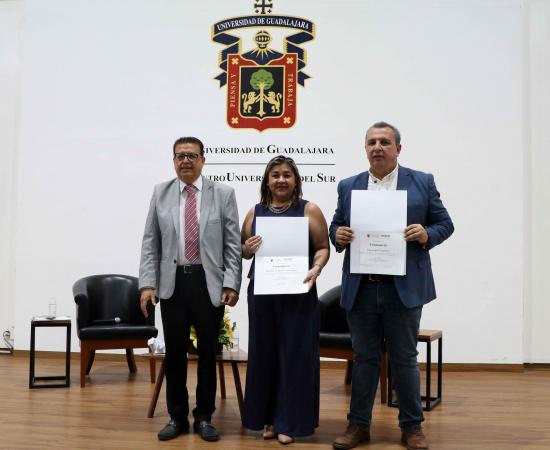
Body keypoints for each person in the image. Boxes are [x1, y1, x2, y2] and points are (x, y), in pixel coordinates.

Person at [330, 122, 454, 450]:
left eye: (385, 142)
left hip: (405, 286)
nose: (378, 147)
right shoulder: (349, 185)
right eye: (371, 142)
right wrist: (337, 235)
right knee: (365, 358)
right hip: (362, 287)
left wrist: (428, 235)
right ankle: (358, 426)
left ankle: (412, 427)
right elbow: (337, 224)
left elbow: (445, 223)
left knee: (404, 358)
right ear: (365, 148)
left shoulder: (422, 182)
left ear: (398, 148)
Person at [138, 136, 242, 442]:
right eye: (180, 155)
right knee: (175, 354)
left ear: (203, 160)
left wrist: (231, 282)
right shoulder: (161, 193)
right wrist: (147, 283)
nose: (186, 160)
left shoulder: (223, 194)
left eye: (192, 155)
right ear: (173, 161)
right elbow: (149, 242)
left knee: (208, 353)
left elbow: (232, 244)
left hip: (207, 283)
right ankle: (177, 416)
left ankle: (205, 417)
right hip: (172, 284)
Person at [241, 155, 330, 445]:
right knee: (264, 354)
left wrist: (317, 268)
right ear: (267, 181)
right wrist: (247, 248)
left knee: (295, 356)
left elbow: (322, 248)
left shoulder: (310, 210)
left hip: (299, 293)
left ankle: (289, 422)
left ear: (296, 181)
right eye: (276, 175)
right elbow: (242, 251)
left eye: (287, 175)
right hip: (263, 294)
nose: (281, 180)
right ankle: (268, 419)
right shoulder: (254, 213)